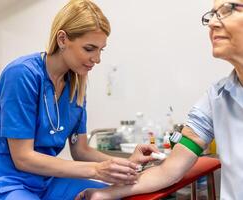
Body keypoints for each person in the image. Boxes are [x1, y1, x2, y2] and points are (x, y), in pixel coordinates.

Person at [0, 0, 158, 199]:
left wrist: (126, 166)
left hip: (43, 178)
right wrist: (97, 170)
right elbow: (22, 158)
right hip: (1, 178)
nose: (97, 59)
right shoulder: (22, 74)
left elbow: (81, 150)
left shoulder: (76, 86)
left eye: (101, 50)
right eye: (90, 48)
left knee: (111, 195)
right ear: (63, 39)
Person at [76, 0, 243, 199]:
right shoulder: (217, 98)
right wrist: (106, 193)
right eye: (212, 14)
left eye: (226, 10)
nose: (212, 23)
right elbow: (169, 170)